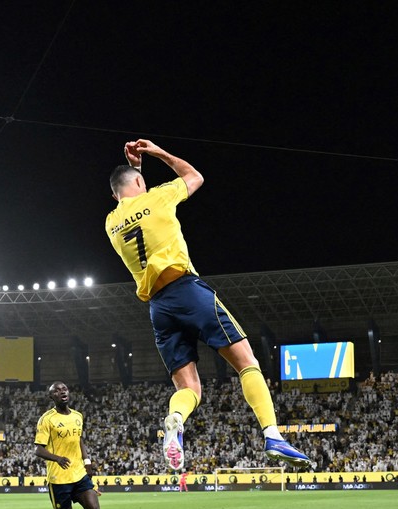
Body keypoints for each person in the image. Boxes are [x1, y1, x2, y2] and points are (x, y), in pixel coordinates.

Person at [104, 139, 311, 471]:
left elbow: (132, 202)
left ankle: (175, 418)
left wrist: (136, 170)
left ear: (115, 196)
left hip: (158, 308)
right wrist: (158, 153)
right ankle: (272, 435)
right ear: (141, 183)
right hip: (187, 291)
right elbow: (194, 176)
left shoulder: (111, 223)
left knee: (190, 388)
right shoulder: (158, 197)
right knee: (247, 363)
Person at [34, 381, 101, 509]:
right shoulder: (47, 419)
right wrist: (57, 458)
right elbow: (38, 450)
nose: (61, 392)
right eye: (56, 390)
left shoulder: (78, 416)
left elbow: (79, 440)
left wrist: (87, 462)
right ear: (51, 397)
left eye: (64, 389)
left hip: (79, 473)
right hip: (59, 478)